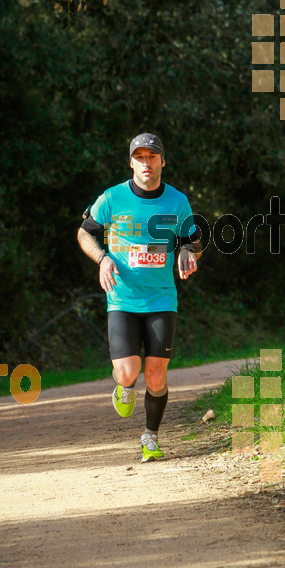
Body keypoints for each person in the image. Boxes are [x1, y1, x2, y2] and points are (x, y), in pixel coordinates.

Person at [77, 132, 201, 462]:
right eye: (140, 157)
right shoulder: (112, 198)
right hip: (122, 298)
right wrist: (103, 258)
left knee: (157, 374)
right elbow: (85, 232)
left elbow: (195, 240)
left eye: (152, 157)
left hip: (162, 298)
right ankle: (124, 385)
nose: (146, 163)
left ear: (163, 161)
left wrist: (188, 251)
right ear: (131, 162)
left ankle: (150, 436)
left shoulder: (177, 201)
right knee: (128, 371)